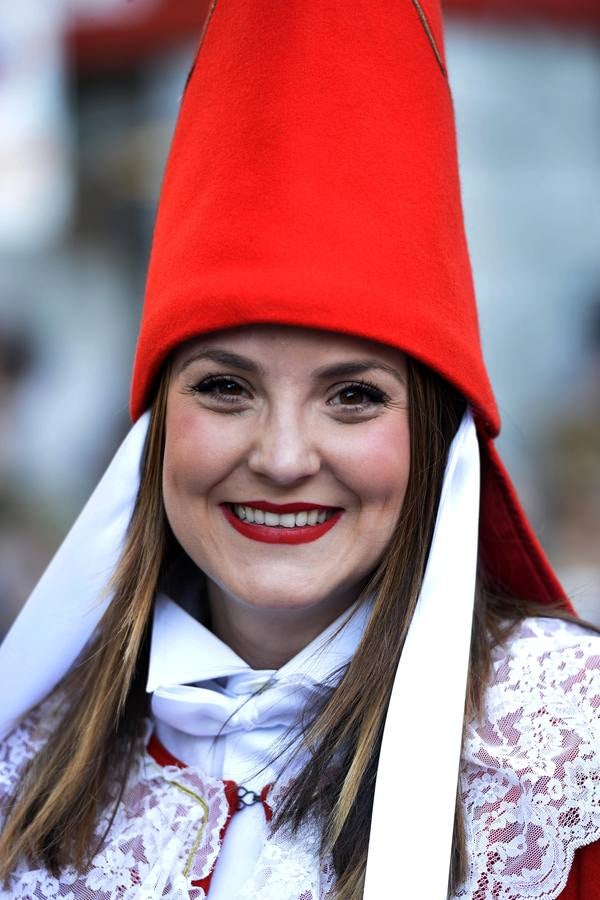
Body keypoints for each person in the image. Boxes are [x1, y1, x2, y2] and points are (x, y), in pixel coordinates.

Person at [0, 2, 599, 898]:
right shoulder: (33, 756)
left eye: (354, 396)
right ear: (155, 428)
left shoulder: (563, 763)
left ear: (435, 441)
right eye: (225, 387)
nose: (282, 456)